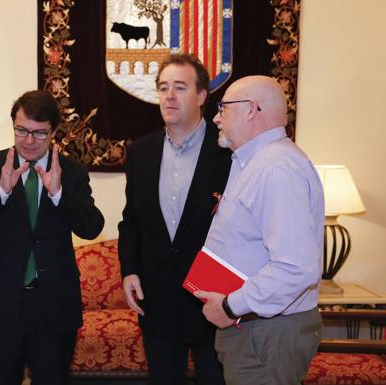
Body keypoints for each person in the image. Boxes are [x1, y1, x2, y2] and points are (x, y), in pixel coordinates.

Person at [0, 90, 104, 385]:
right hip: (0, 307)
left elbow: (92, 226)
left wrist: (58, 194)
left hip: (54, 308)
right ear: (13, 125)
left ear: (54, 132)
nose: (29, 140)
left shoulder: (71, 171)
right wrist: (0, 192)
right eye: (21, 130)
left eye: (39, 133)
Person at [195, 75, 324, 385]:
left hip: (266, 333)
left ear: (251, 109)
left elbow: (295, 267)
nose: (216, 118)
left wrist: (230, 305)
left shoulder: (277, 168)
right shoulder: (256, 162)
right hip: (257, 330)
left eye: (223, 108)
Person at [118, 54, 231, 385]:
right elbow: (131, 223)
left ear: (201, 96)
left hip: (213, 301)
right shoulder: (141, 152)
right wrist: (130, 271)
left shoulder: (229, 151)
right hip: (158, 301)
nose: (169, 96)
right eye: (163, 87)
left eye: (180, 87)